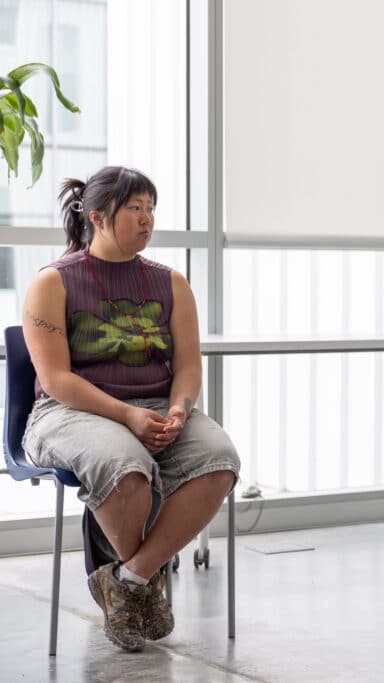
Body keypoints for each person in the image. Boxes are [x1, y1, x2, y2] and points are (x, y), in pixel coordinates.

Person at [21, 166, 240, 652]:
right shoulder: (53, 283)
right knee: (126, 468)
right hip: (68, 411)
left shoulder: (171, 283)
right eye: (134, 209)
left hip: (157, 406)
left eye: (150, 209)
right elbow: (56, 380)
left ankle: (129, 581)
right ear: (97, 216)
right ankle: (142, 587)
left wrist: (180, 410)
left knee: (219, 462)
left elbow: (187, 368)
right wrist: (126, 415)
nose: (147, 220)